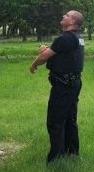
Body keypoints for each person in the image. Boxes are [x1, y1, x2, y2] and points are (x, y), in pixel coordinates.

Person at [29, 10, 85, 163]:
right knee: (69, 119)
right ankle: (72, 152)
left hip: (63, 85)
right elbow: (61, 53)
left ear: (72, 22)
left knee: (55, 121)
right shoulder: (77, 37)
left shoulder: (65, 37)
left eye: (66, 16)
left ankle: (55, 157)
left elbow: (44, 57)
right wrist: (46, 48)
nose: (63, 16)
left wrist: (34, 64)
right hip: (74, 82)